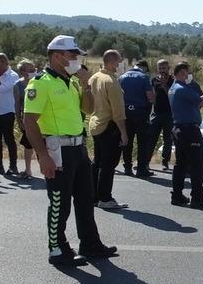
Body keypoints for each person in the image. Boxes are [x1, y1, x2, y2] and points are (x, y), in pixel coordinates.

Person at [23, 35, 117, 266]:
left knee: (86, 198)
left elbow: (89, 109)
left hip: (78, 147)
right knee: (60, 202)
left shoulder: (73, 81)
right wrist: (43, 156)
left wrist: (86, 85)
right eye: (72, 55)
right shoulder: (40, 83)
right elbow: (29, 122)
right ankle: (57, 249)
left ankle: (90, 244)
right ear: (57, 56)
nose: (77, 59)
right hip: (57, 150)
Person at [168, 62, 203, 209]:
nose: (189, 75)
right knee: (197, 165)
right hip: (190, 131)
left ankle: (177, 195)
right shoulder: (183, 89)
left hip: (179, 130)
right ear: (182, 72)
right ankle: (197, 198)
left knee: (180, 164)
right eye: (187, 72)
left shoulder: (174, 88)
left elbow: (196, 100)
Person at [88, 50, 129, 210]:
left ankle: (94, 196)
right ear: (112, 62)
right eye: (118, 61)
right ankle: (105, 198)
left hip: (95, 124)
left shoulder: (94, 77)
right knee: (108, 164)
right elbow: (118, 111)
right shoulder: (111, 81)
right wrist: (123, 133)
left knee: (97, 162)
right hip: (109, 126)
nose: (120, 64)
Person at [118, 59, 155, 177]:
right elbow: (150, 98)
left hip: (125, 112)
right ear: (144, 68)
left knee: (127, 141)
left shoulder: (122, 77)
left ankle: (127, 167)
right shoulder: (144, 77)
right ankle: (141, 169)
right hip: (140, 113)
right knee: (142, 142)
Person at [12, 59, 37, 179]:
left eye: (33, 68)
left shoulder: (40, 81)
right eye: (29, 69)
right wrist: (19, 120)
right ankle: (28, 170)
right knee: (28, 144)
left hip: (42, 118)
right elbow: (17, 105)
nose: (33, 70)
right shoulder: (18, 85)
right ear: (22, 71)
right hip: (27, 118)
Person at [148, 59, 174, 170]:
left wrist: (164, 85)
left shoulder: (173, 80)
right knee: (151, 138)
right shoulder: (154, 80)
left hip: (169, 114)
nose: (162, 70)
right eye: (160, 68)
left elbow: (172, 95)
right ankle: (145, 162)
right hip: (157, 113)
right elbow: (152, 94)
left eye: (164, 68)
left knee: (168, 140)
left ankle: (165, 162)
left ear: (168, 68)